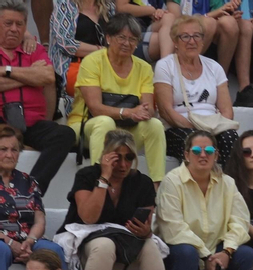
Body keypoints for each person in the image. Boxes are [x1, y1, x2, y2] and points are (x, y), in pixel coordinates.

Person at [156, 131, 253, 270]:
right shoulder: (172, 181)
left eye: (209, 150)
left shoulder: (227, 182)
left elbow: (240, 222)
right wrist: (207, 255)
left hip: (217, 250)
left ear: (216, 155)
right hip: (180, 251)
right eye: (196, 150)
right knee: (187, 252)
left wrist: (227, 251)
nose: (203, 155)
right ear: (186, 155)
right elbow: (174, 228)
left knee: (247, 255)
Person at [59, 129, 164, 270]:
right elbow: (88, 217)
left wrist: (146, 232)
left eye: (129, 157)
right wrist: (104, 179)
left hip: (124, 238)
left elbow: (147, 224)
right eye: (117, 157)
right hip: (86, 234)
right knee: (104, 245)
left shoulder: (142, 182)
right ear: (106, 156)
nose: (123, 165)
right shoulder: (87, 176)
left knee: (150, 246)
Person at [67, 15, 164, 181]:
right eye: (122, 37)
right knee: (105, 122)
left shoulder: (144, 68)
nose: (127, 43)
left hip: (125, 130)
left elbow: (147, 108)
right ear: (108, 38)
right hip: (85, 126)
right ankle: (99, 181)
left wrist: (144, 112)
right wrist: (128, 112)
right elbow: (95, 108)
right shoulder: (92, 62)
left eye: (133, 39)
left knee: (154, 125)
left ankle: (157, 186)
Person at [0, 0, 72, 194]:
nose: (14, 29)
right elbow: (39, 76)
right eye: (8, 24)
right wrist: (29, 76)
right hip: (2, 120)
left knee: (64, 134)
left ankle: (31, 191)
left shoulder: (34, 49)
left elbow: (47, 76)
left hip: (32, 123)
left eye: (20, 24)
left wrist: (6, 71)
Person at [153, 14, 239, 167]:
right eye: (185, 36)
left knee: (230, 137)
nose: (192, 41)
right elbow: (166, 110)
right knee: (194, 143)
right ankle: (195, 187)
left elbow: (227, 111)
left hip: (211, 127)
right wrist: (199, 133)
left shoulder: (214, 67)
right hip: (179, 127)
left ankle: (230, 186)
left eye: (197, 36)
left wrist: (212, 131)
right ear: (175, 41)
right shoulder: (165, 66)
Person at [0, 127, 63, 270]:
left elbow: (39, 219)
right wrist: (11, 242)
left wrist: (30, 241)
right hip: (2, 241)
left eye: (14, 149)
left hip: (27, 241)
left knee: (54, 250)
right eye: (3, 149)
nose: (9, 154)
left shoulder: (28, 181)